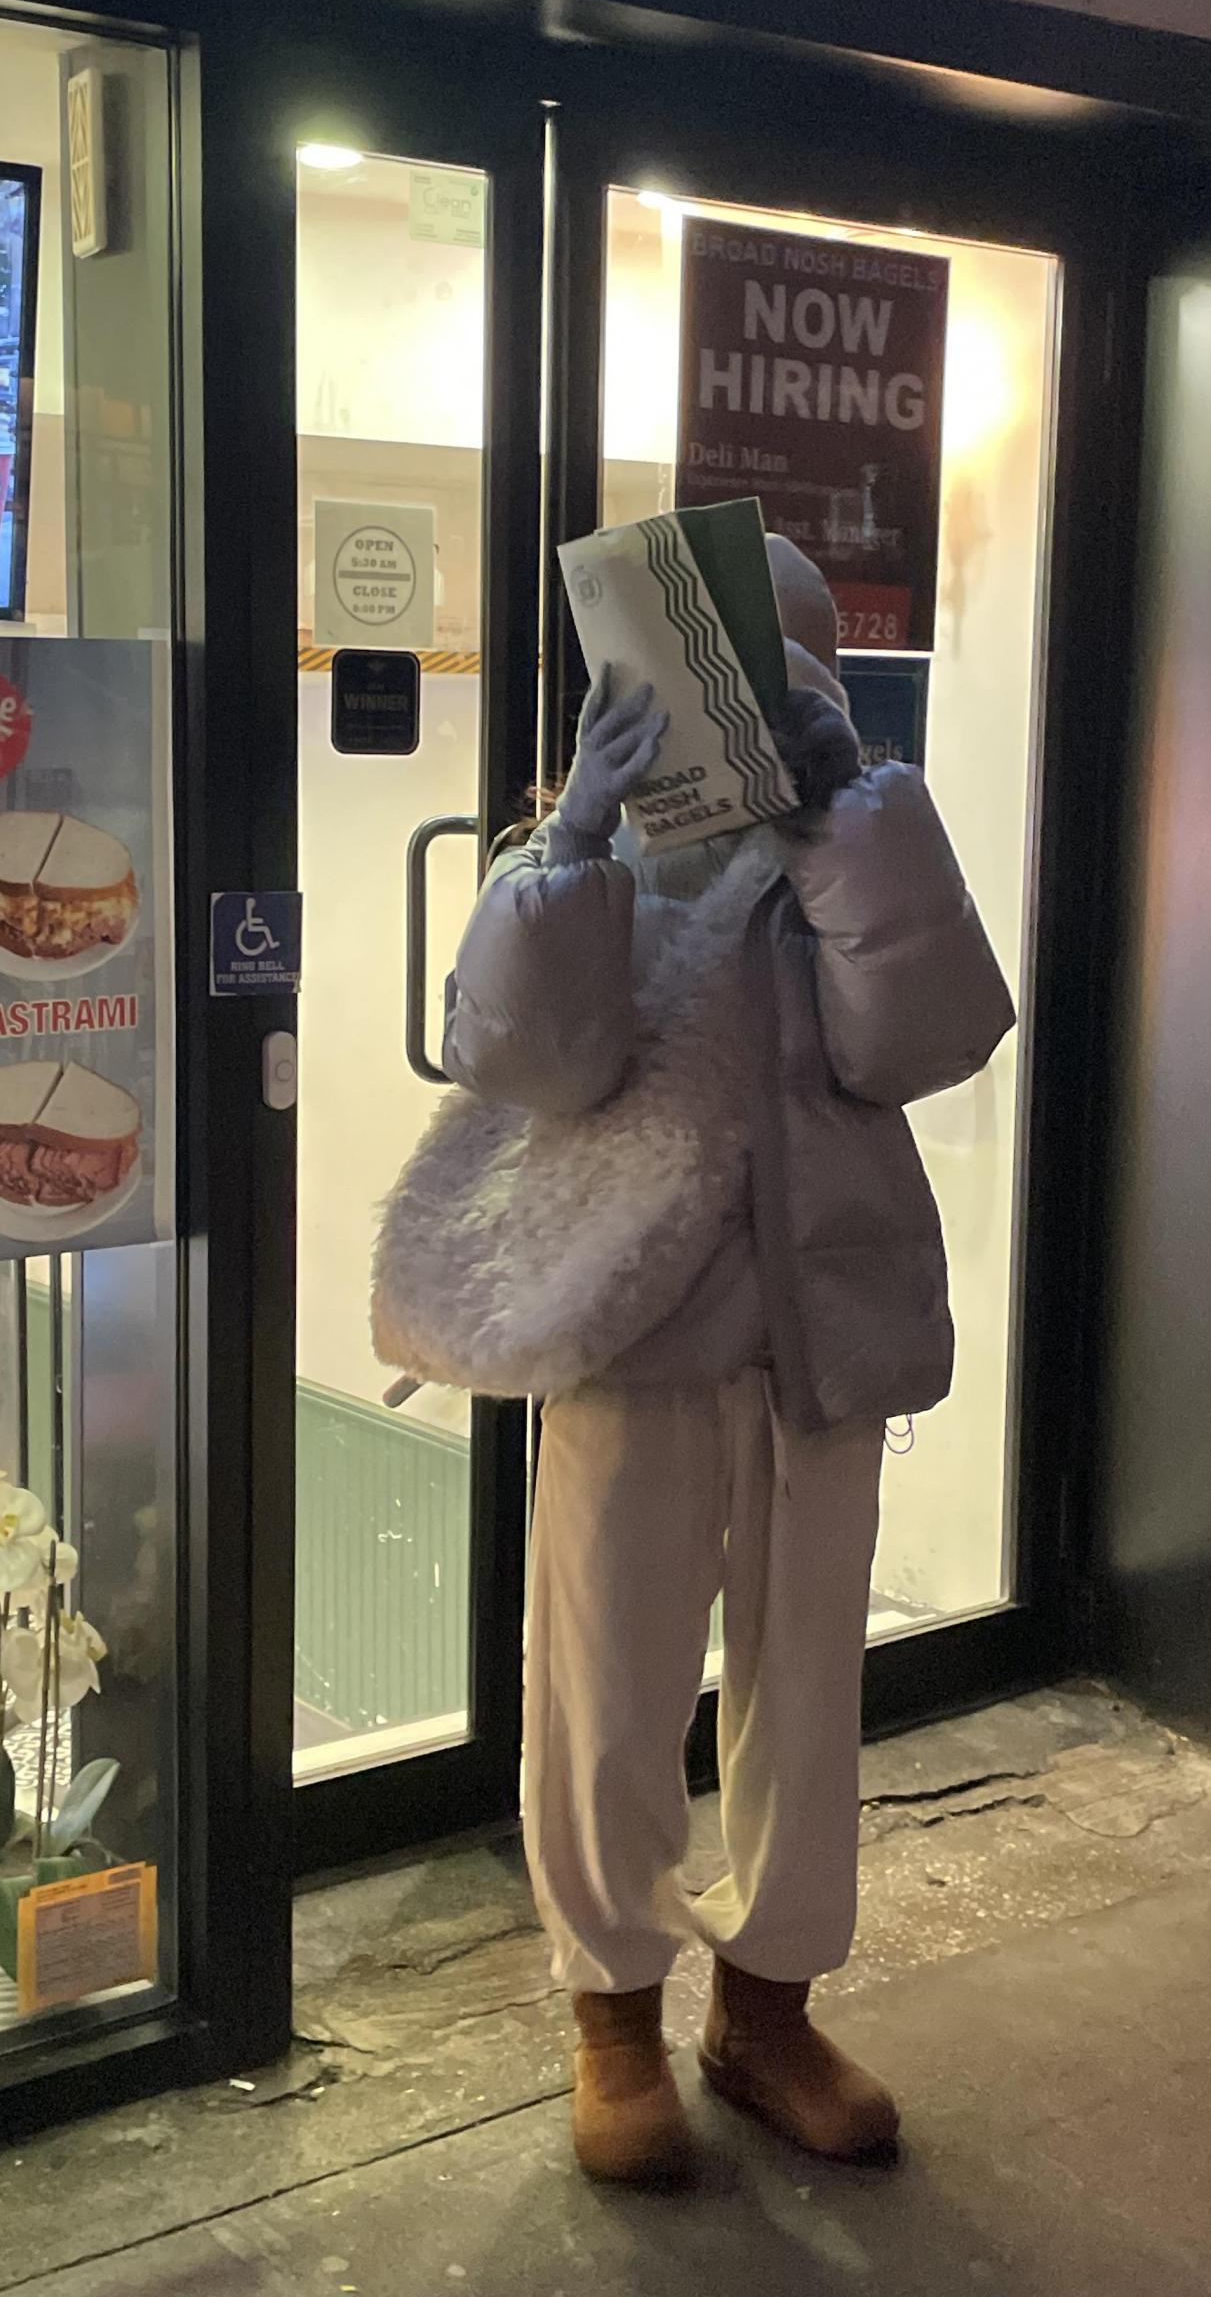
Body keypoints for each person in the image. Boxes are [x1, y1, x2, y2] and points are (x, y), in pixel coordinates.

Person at [425, 538, 1014, 2184]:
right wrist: (574, 840)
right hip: (631, 1332)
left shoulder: (864, 837)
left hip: (827, 1331)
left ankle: (767, 2013)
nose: (759, 702)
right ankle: (612, 2018)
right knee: (605, 1693)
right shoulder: (582, 846)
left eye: (797, 670)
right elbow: (522, 1065)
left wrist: (851, 817)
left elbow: (924, 1039)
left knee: (808, 1697)